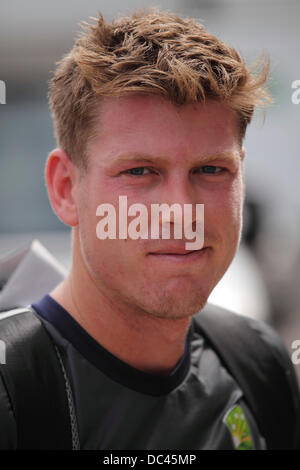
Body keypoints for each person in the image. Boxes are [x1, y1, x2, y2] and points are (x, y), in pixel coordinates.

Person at [0, 9, 299, 450]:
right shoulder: (13, 391)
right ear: (66, 188)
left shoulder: (258, 363)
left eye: (211, 169)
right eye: (140, 171)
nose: (181, 210)